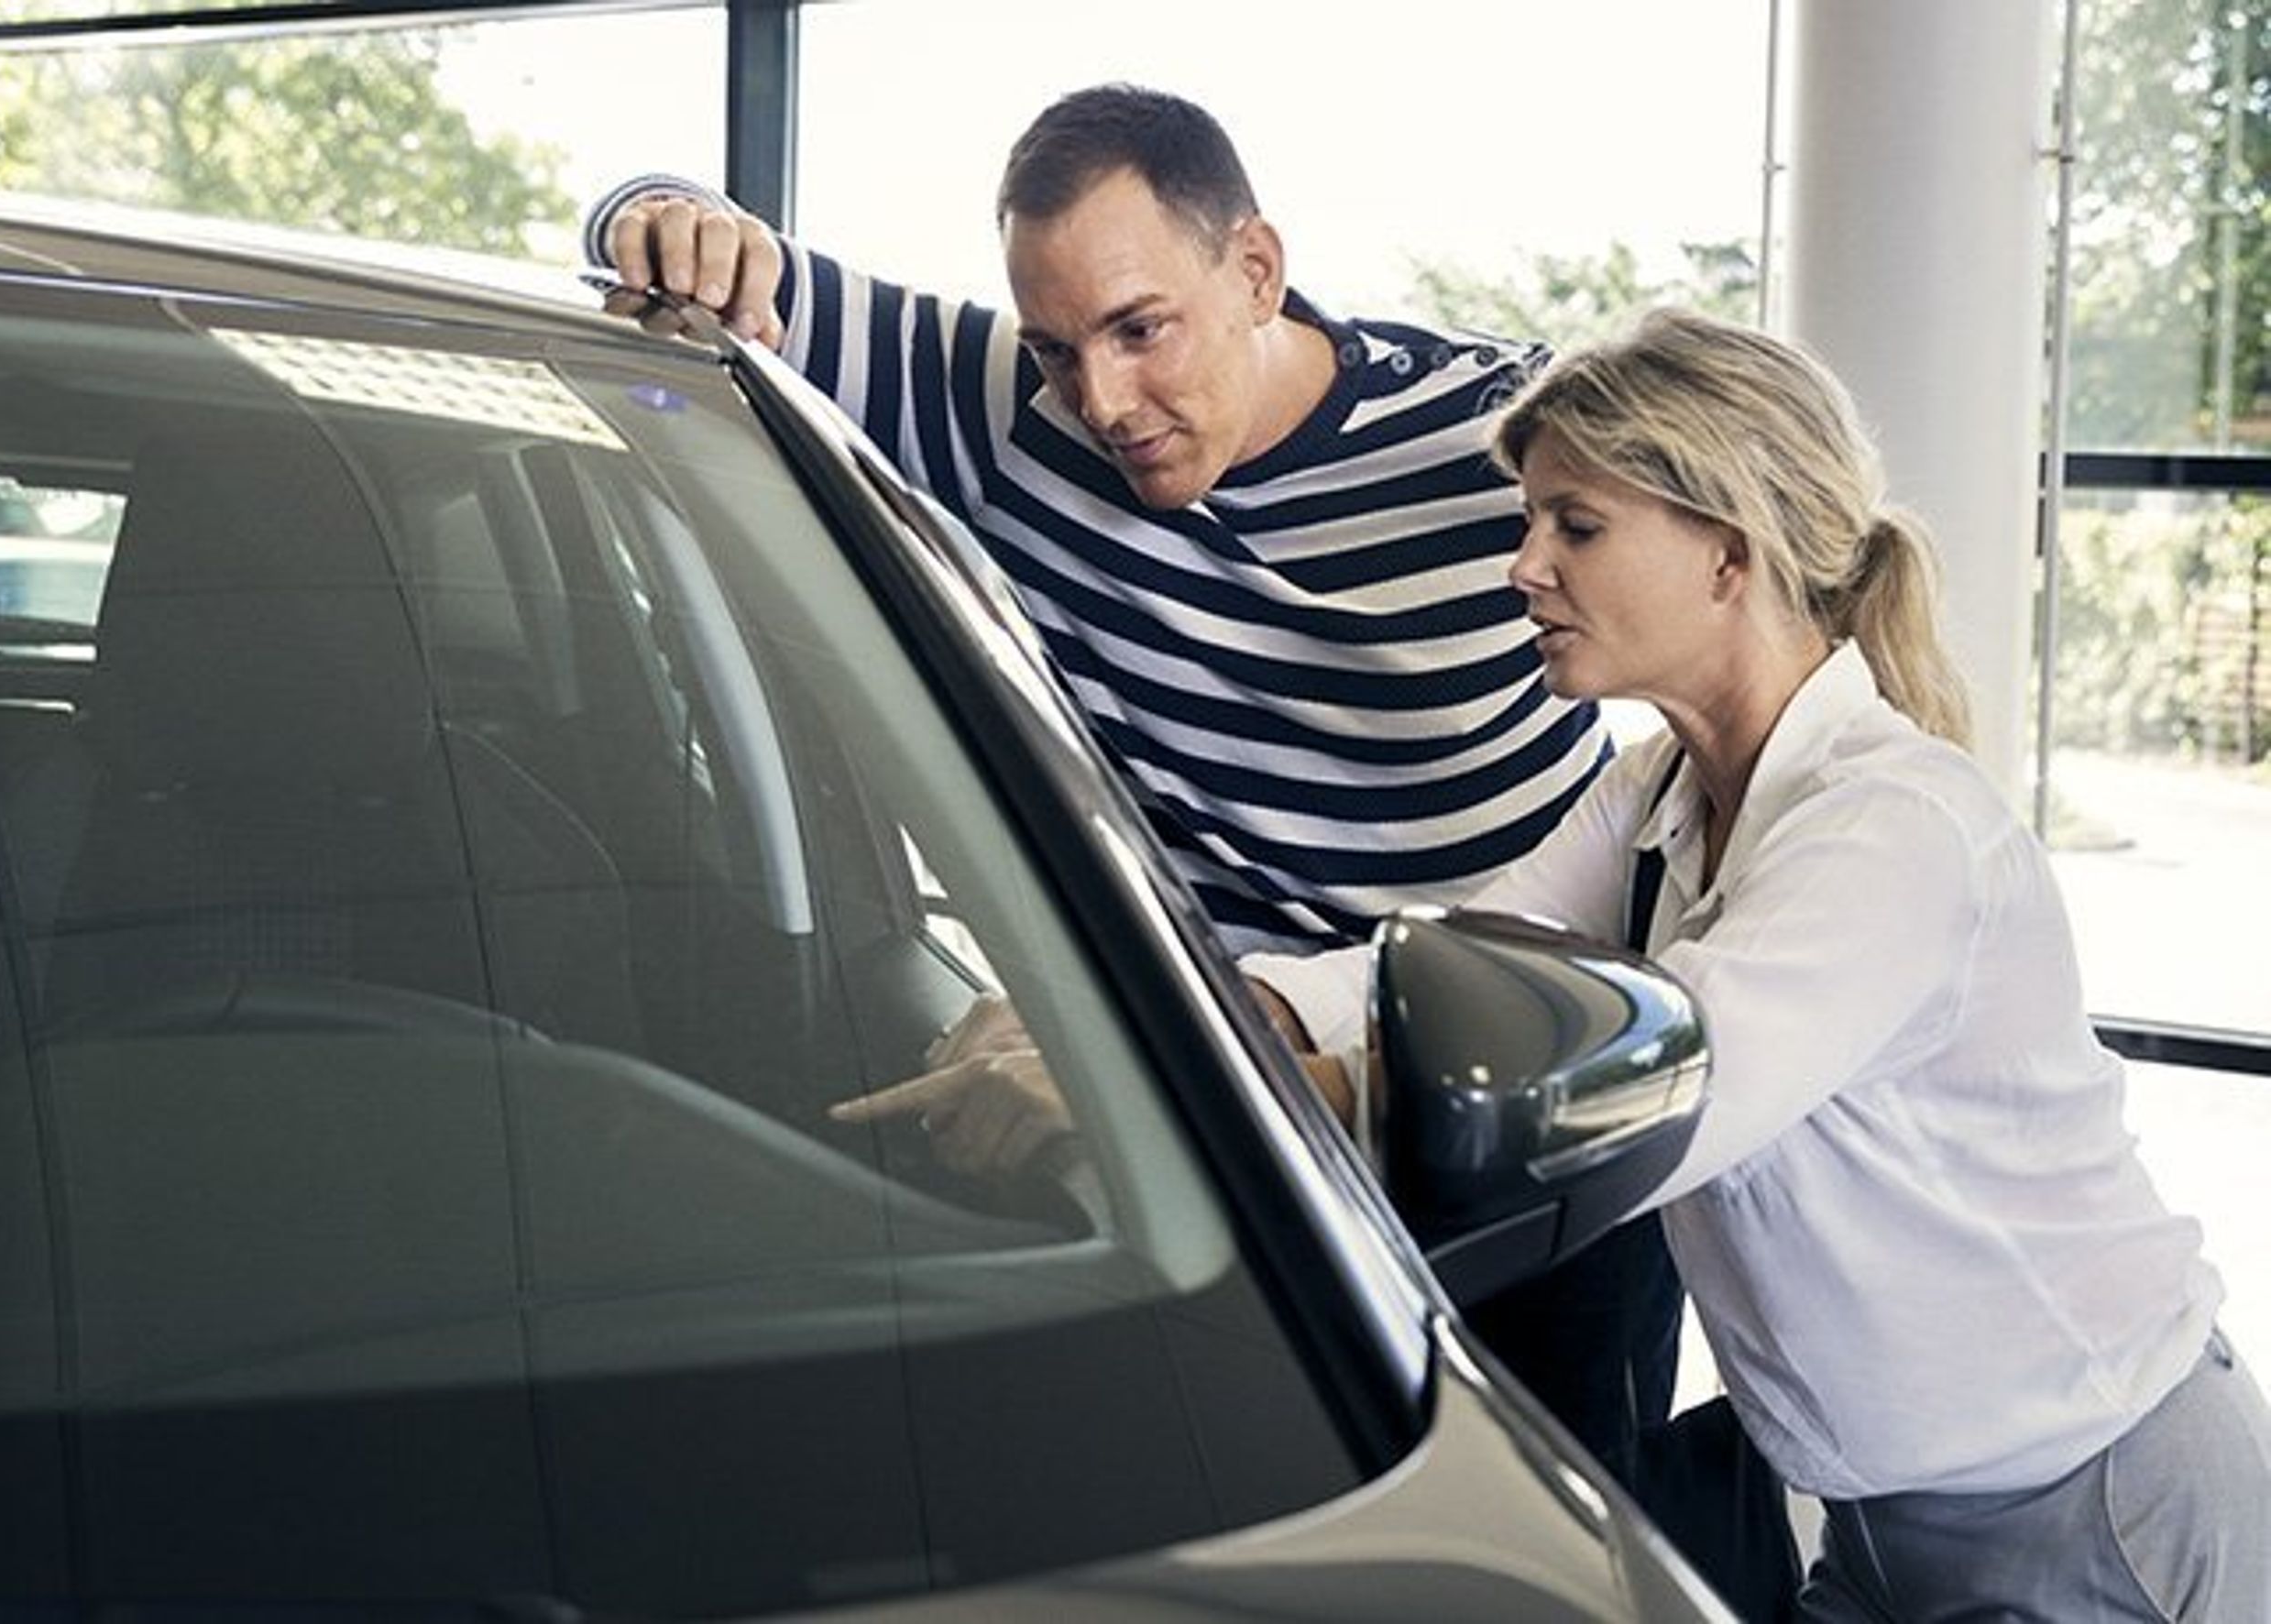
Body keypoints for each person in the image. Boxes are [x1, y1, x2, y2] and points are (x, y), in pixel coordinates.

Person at [578, 84, 1732, 1607]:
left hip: (1522, 1118)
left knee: (1557, 1563)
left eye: (1142, 330)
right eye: (1060, 346)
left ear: (1256, 271)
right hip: (1240, 1130)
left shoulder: (1496, 449)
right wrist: (661, 214)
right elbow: (681, 249)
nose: (1105, 400)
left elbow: (1751, 599)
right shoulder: (1013, 414)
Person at [1248, 305, 2271, 1619]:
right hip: (1878, 1525)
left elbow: (1674, 1089)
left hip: (2103, 1511)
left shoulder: (1894, 828)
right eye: (1531, 523)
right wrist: (1214, 1018)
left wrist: (1298, 1094)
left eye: (1576, 525)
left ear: (1729, 554)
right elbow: (1450, 953)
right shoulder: (1656, 793)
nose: (1523, 568)